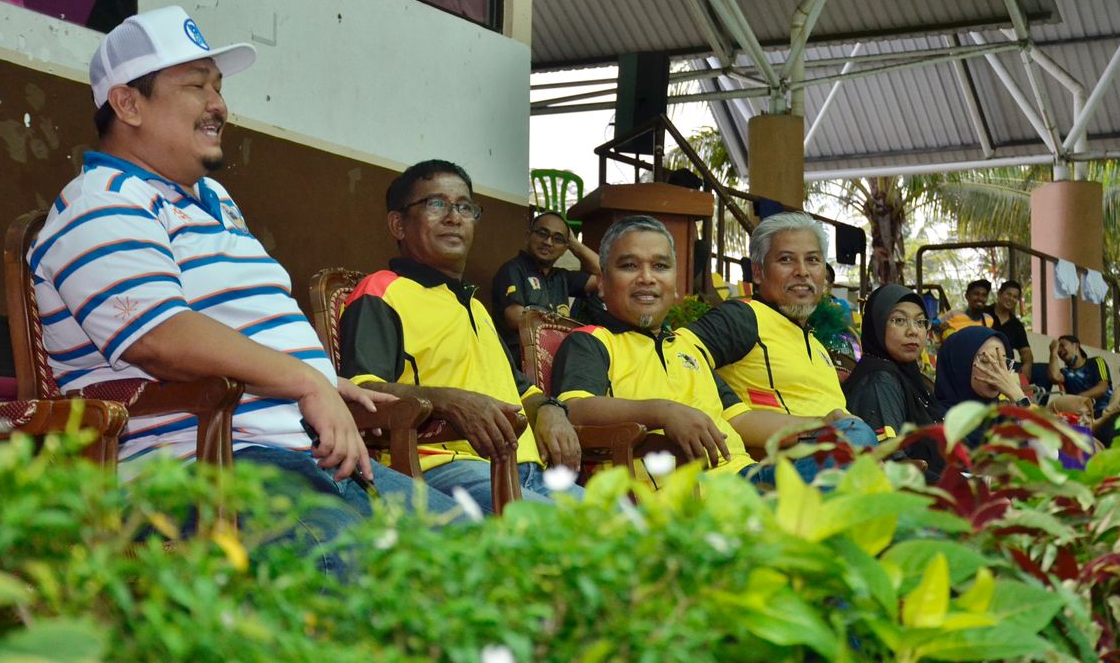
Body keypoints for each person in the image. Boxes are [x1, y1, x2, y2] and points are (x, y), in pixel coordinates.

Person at [30, 6, 457, 572]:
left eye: (219, 87)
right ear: (128, 103)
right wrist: (304, 380)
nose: (219, 106)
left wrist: (329, 383)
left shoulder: (215, 202)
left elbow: (239, 322)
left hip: (298, 456)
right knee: (363, 583)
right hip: (196, 468)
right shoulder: (102, 201)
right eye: (196, 87)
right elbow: (160, 335)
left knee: (474, 557)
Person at [550, 216, 874, 487]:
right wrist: (663, 411)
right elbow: (575, 408)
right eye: (629, 266)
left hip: (743, 481)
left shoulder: (686, 350)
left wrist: (821, 423)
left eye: (660, 266)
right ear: (603, 283)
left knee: (853, 436)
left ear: (675, 285)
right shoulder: (592, 340)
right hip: (683, 498)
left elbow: (742, 419)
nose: (646, 278)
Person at [338, 160, 583, 510]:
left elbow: (520, 388)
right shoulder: (382, 291)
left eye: (465, 207)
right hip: (445, 467)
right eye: (436, 204)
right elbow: (361, 391)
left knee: (623, 527)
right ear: (399, 224)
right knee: (561, 536)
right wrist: (448, 400)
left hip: (529, 471)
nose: (454, 217)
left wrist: (549, 410)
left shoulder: (475, 305)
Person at [680, 213, 870, 456]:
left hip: (835, 462)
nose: (802, 271)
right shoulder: (744, 317)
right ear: (758, 272)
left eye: (812, 260)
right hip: (777, 469)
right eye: (786, 260)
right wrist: (735, 412)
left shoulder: (814, 342)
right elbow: (678, 354)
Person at [843, 284, 945, 480]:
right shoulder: (879, 380)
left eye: (921, 322)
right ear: (877, 324)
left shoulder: (909, 377)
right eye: (899, 320)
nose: (913, 331)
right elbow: (893, 465)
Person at [491, 210, 600, 362]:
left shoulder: (561, 277)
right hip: (521, 365)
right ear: (528, 235)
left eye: (557, 239)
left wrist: (574, 244)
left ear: (564, 248)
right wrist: (551, 321)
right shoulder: (513, 269)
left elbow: (605, 277)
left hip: (557, 361)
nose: (548, 242)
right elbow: (515, 318)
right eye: (543, 233)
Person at [934, 327, 1030, 446]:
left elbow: (1045, 454)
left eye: (1003, 362)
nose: (997, 371)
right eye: (985, 361)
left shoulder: (1002, 416)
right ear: (960, 366)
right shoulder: (938, 421)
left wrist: (1018, 397)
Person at [1048, 334, 1113, 418]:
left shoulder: (1096, 361)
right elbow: (1054, 377)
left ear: (1076, 345)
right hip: (1082, 417)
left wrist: (1076, 399)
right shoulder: (1065, 372)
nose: (1059, 350)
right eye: (1058, 348)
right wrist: (1053, 352)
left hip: (1106, 413)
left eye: (1062, 345)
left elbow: (1102, 388)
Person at [989, 280, 1033, 381]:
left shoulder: (1016, 325)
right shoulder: (985, 313)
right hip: (984, 361)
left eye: (1015, 297)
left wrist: (1028, 365)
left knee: (1043, 371)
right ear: (1000, 294)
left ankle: (1028, 397)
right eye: (1008, 294)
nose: (1011, 299)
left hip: (1007, 366)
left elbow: (1025, 351)